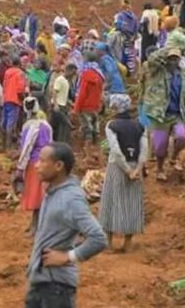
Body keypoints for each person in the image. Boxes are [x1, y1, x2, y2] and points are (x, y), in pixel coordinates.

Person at [25, 142, 108, 308]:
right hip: (41, 282)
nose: (36, 165)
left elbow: (99, 238)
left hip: (56, 289)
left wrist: (68, 256)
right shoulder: (53, 191)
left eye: (42, 161)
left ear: (58, 166)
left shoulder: (71, 199)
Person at [98, 95, 147, 252]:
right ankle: (127, 243)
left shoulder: (111, 125)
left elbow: (116, 150)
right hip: (135, 166)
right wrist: (137, 170)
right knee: (132, 203)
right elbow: (144, 150)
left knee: (111, 201)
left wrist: (126, 170)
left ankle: (109, 242)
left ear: (114, 107)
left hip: (117, 166)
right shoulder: (140, 125)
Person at [141, 48, 185, 181]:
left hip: (177, 113)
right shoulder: (157, 71)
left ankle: (174, 158)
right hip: (160, 114)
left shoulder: (182, 75)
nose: (173, 61)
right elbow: (152, 59)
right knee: (159, 147)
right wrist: (168, 48)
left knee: (181, 138)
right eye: (170, 58)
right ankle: (159, 168)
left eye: (176, 59)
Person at [17, 97, 53, 235]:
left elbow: (26, 148)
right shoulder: (46, 125)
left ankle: (35, 226)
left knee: (35, 195)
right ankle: (37, 224)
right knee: (42, 193)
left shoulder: (29, 126)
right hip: (48, 161)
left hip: (34, 163)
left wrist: (20, 167)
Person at [73, 52, 105, 154]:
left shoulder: (85, 74)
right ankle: (96, 152)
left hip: (85, 106)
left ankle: (87, 154)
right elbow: (101, 92)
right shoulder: (99, 75)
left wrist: (76, 108)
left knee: (87, 130)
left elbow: (82, 93)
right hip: (95, 106)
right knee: (95, 129)